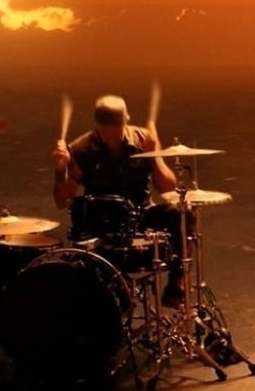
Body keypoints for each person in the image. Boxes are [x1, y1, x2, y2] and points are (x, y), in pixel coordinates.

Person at [52, 95, 187, 306]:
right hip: (104, 224)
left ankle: (175, 285)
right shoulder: (80, 149)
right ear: (97, 126)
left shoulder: (143, 139)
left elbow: (169, 189)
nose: (112, 138)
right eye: (106, 133)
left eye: (116, 130)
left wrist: (154, 156)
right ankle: (116, 296)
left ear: (125, 122)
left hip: (142, 213)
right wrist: (61, 171)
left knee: (181, 214)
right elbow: (62, 201)